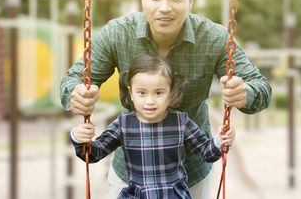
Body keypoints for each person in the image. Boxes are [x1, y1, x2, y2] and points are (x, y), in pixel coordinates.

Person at [60, 0, 271, 199]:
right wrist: (76, 93)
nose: (164, 7)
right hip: (130, 176)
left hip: (191, 173)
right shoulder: (117, 34)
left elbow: (261, 88)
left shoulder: (214, 39)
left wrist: (245, 93)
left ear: (190, 1)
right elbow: (74, 78)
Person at [70, 54, 236, 198]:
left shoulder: (181, 122)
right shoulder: (123, 124)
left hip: (174, 195)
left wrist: (221, 140)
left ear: (170, 93)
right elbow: (94, 154)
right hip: (138, 194)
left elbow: (207, 152)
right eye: (142, 93)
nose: (150, 101)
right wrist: (79, 138)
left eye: (158, 93)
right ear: (131, 93)